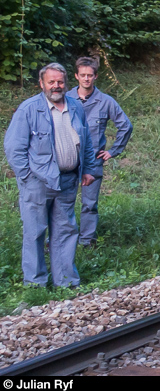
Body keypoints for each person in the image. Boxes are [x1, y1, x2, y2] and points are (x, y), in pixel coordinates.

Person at [4, 63, 99, 287]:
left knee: (66, 232)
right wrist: (27, 177)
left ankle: (66, 283)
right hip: (37, 183)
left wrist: (87, 169)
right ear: (41, 84)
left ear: (66, 83)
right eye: (51, 82)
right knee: (35, 232)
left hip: (67, 180)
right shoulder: (29, 109)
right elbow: (13, 148)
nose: (56, 86)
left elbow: (86, 142)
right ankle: (35, 284)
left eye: (60, 82)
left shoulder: (75, 106)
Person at [67, 56, 132, 246]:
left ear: (96, 76)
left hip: (92, 160)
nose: (86, 79)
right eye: (82, 75)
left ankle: (87, 241)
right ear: (76, 76)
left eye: (90, 75)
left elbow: (125, 126)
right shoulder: (65, 98)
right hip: (67, 159)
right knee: (63, 203)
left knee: (89, 204)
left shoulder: (106, 101)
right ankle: (61, 240)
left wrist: (113, 151)